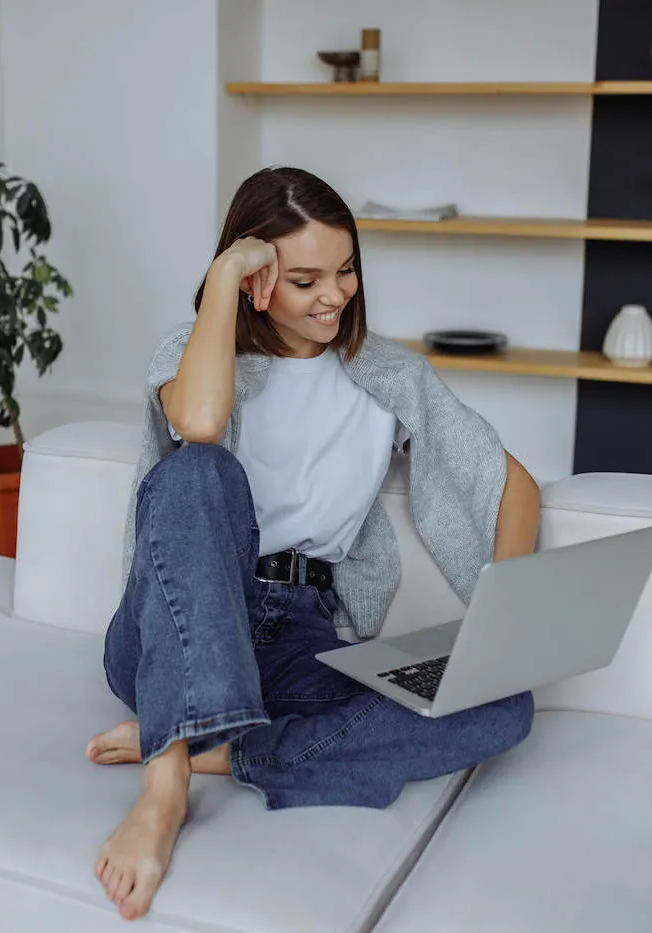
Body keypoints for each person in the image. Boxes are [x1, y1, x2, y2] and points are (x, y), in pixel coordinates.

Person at [84, 166, 541, 921]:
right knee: (200, 471)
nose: (334, 295)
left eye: (346, 270)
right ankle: (165, 784)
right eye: (305, 279)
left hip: (300, 636)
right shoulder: (192, 353)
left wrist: (506, 616)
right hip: (177, 624)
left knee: (503, 707)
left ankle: (221, 747)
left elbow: (510, 483)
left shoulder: (388, 375)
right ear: (258, 277)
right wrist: (224, 275)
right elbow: (198, 425)